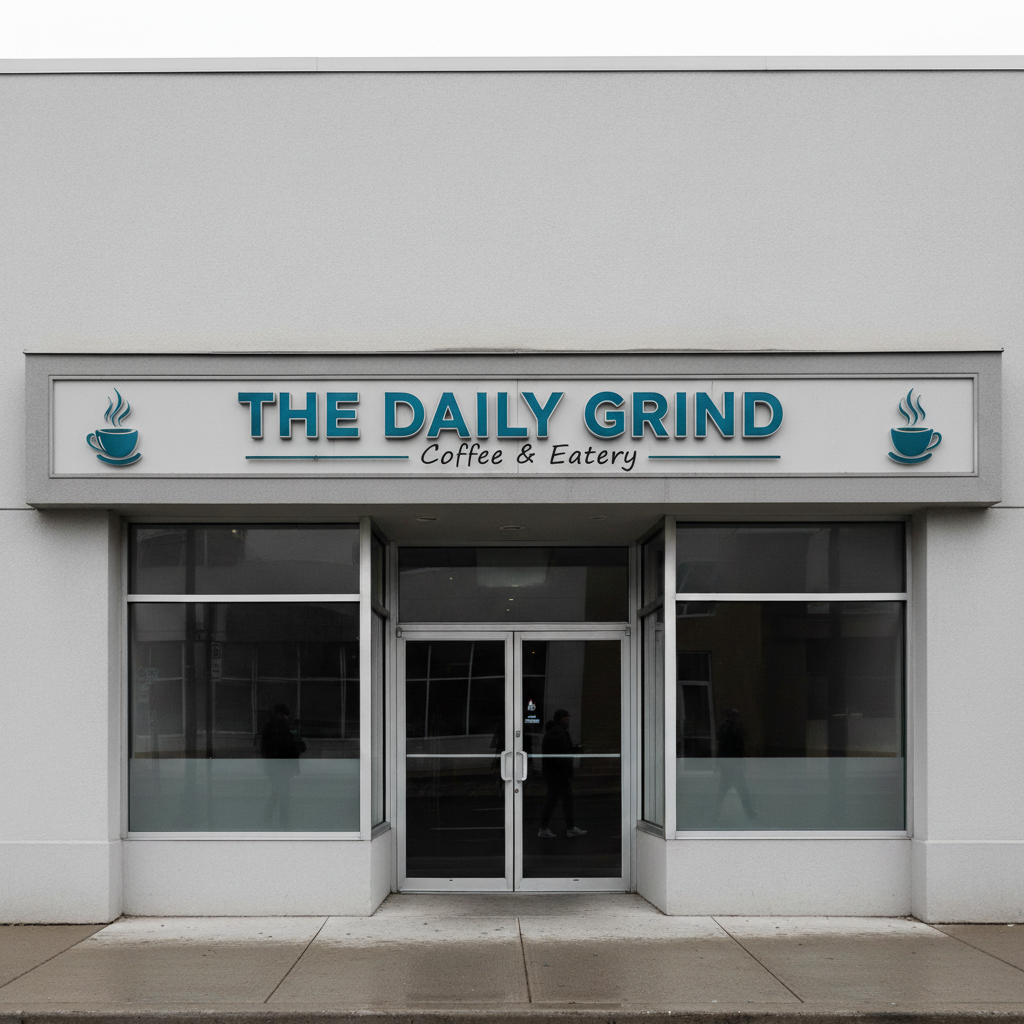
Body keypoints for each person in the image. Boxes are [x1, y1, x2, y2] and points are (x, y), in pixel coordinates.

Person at [538, 709, 587, 838]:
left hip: (555, 773)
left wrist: (573, 749)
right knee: (559, 800)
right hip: (558, 774)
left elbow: (561, 751)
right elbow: (560, 754)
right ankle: (549, 828)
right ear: (560, 719)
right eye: (566, 719)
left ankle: (561, 828)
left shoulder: (555, 732)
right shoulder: (558, 733)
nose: (568, 721)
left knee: (559, 800)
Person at [260, 704, 306, 827]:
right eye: (286, 715)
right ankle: (283, 821)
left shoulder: (270, 726)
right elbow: (289, 747)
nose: (287, 718)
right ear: (281, 714)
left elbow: (267, 749)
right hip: (281, 767)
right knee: (284, 794)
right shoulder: (278, 727)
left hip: (276, 767)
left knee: (276, 792)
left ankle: (268, 818)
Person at [715, 707, 757, 820]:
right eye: (733, 717)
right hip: (731, 763)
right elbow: (724, 744)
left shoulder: (732, 729)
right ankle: (716, 812)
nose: (735, 719)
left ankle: (716, 813)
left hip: (732, 763)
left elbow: (742, 743)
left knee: (727, 791)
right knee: (740, 790)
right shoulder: (728, 729)